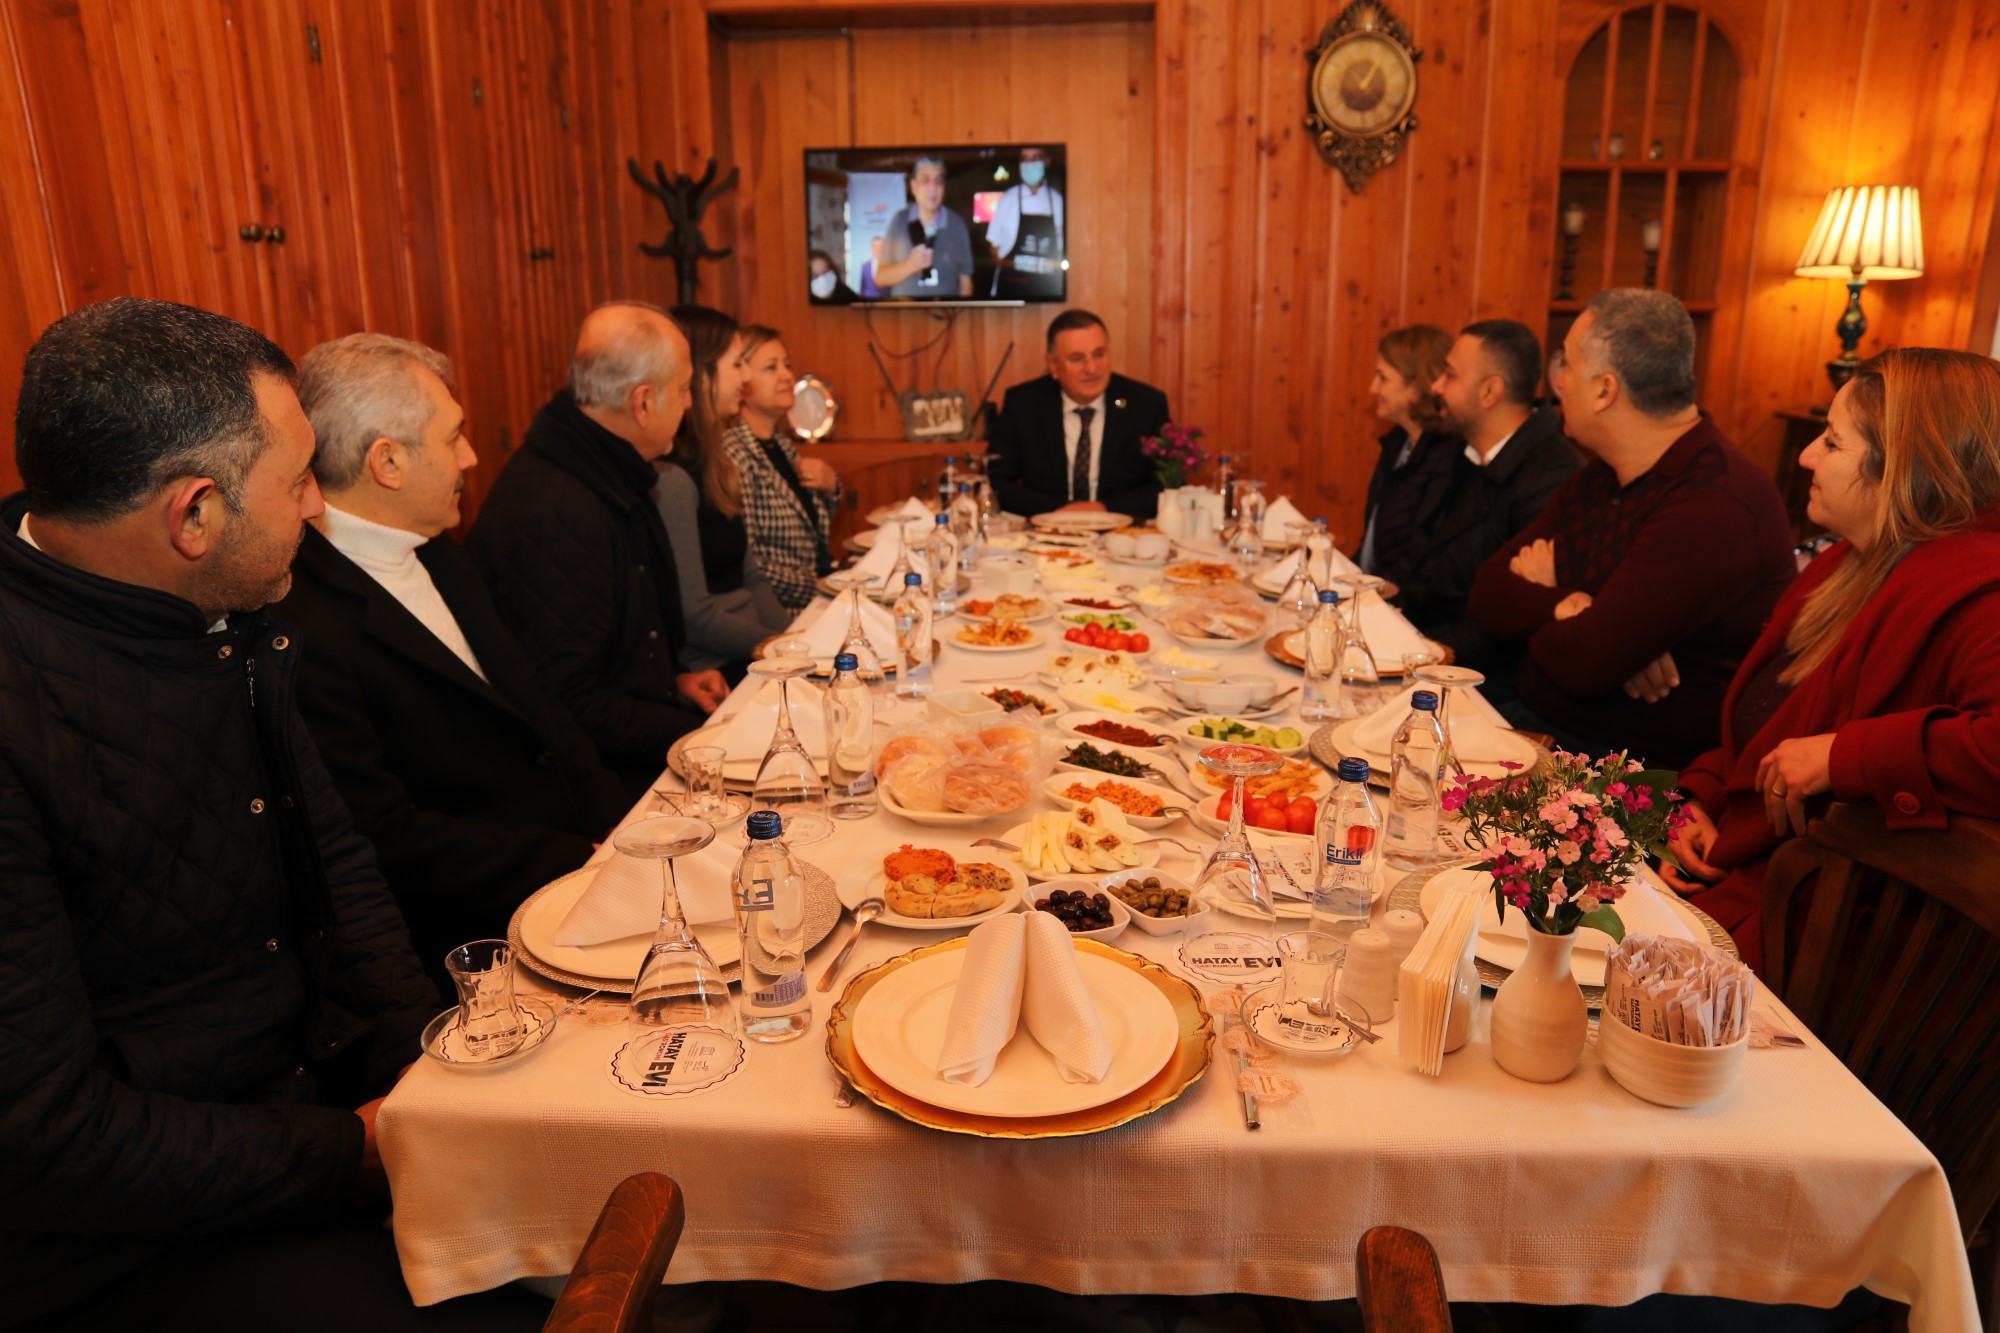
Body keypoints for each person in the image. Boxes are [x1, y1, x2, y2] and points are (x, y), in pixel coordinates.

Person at [0, 298, 545, 1331]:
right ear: (192, 514)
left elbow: (339, 864)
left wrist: (427, 1064)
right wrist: (363, 1149)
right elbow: (45, 1135)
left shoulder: (230, 618)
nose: (319, 511)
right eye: (298, 483)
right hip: (129, 1239)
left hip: (308, 1123)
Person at [274, 334, 628, 979]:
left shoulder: (436, 544)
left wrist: (624, 829)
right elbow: (390, 839)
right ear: (388, 463)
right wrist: (580, 861)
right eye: (452, 436)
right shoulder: (305, 623)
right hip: (477, 937)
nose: (469, 457)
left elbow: (537, 706)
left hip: (581, 870)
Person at [1663, 349, 2000, 970]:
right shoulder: (1845, 562)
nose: (1805, 456)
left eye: (1833, 442)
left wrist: (1846, 756)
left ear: (1901, 466)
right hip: (1735, 872)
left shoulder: (1980, 592)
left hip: (1831, 943)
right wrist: (1698, 799)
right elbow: (1764, 728)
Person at [1468, 289, 1796, 769]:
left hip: (1624, 772)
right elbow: (1487, 592)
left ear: (1605, 390)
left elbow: (1586, 663)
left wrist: (1553, 599)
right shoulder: (1602, 475)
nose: (1557, 382)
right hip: (1541, 722)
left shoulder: (1713, 502)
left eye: (1569, 366)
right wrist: (1568, 605)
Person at [468, 301, 727, 801]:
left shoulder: (605, 469)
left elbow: (610, 649)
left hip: (633, 735)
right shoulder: (558, 510)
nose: (690, 403)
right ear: (643, 403)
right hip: (591, 785)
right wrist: (700, 740)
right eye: (682, 389)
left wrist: (673, 683)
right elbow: (566, 704)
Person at [1386, 319, 1582, 679]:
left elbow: (1507, 618)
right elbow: (1423, 563)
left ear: (1490, 392)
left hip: (1482, 682)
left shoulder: (1551, 476)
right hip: (1424, 651)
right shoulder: (1460, 450)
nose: (1436, 386)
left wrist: (1411, 651)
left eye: (1450, 375)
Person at [659, 305, 792, 672]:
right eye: (737, 365)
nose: (746, 376)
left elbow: (752, 576)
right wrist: (781, 649)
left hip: (753, 649)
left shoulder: (716, 460)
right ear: (700, 376)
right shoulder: (672, 478)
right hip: (718, 663)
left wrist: (795, 639)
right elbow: (694, 618)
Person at [986, 308, 1171, 521]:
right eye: (1077, 359)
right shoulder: (1023, 404)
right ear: (1053, 365)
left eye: (1099, 354)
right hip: (1046, 534)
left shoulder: (1146, 404)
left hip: (1123, 533)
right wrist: (1061, 512)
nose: (1092, 369)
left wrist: (1103, 509)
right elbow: (997, 483)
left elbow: (1165, 485)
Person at [724, 324, 841, 613]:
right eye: (771, 367)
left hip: (818, 600)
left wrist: (832, 487)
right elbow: (752, 562)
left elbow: (811, 530)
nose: (787, 375)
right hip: (785, 614)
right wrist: (824, 588)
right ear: (742, 379)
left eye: (786, 365)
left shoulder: (783, 446)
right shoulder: (734, 455)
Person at [1356, 324, 1457, 575]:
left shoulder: (1446, 459)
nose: (1373, 388)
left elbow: (1419, 560)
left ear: (1416, 386)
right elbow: (1377, 544)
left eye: (1383, 378)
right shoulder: (1397, 444)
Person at [874, 155, 976, 299]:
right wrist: (910, 265)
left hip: (946, 318)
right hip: (905, 318)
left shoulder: (957, 225)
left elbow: (966, 284)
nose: (933, 188)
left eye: (938, 181)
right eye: (925, 180)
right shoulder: (899, 221)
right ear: (914, 187)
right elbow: (880, 277)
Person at [986, 145, 1065, 301]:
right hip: (1010, 291)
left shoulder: (1058, 202)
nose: (1030, 164)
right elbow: (993, 247)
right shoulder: (1008, 199)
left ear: (1047, 161)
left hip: (1047, 291)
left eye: (1036, 158)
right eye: (1025, 159)